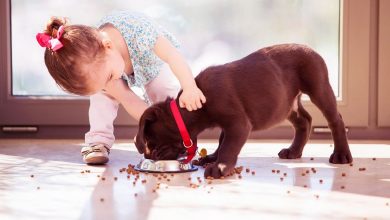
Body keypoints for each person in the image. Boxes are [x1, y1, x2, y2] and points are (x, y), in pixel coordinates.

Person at [36, 11, 206, 164]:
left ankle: (177, 140)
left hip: (152, 63)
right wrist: (148, 130)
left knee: (163, 92)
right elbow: (128, 99)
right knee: (102, 98)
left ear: (108, 46)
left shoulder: (141, 33)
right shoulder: (100, 64)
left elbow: (172, 55)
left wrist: (189, 86)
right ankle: (98, 141)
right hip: (112, 64)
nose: (107, 85)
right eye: (102, 84)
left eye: (108, 78)